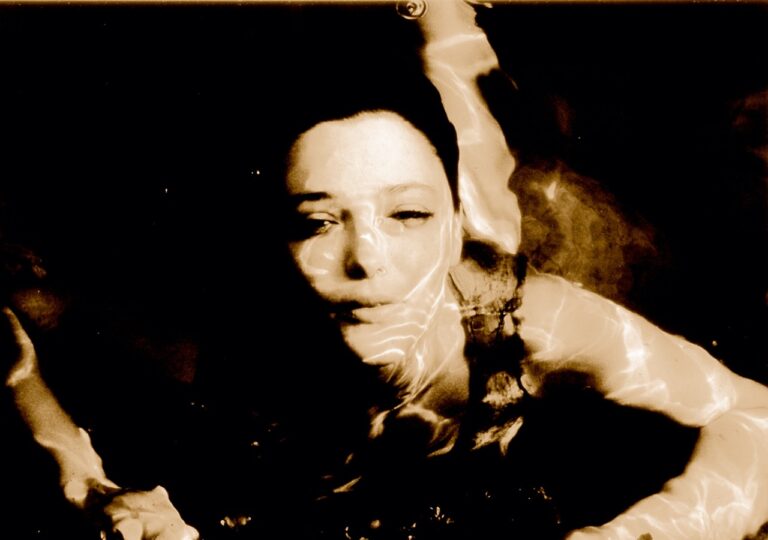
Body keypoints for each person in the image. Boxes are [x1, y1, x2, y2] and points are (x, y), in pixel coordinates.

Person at [4, 9, 768, 540]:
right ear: (275, 237)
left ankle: (445, 24)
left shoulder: (522, 318)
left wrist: (635, 534)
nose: (366, 259)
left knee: (487, 179)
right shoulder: (217, 347)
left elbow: (758, 415)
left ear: (448, 225)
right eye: (317, 222)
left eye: (409, 217)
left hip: (475, 237)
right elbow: (26, 328)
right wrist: (90, 488)